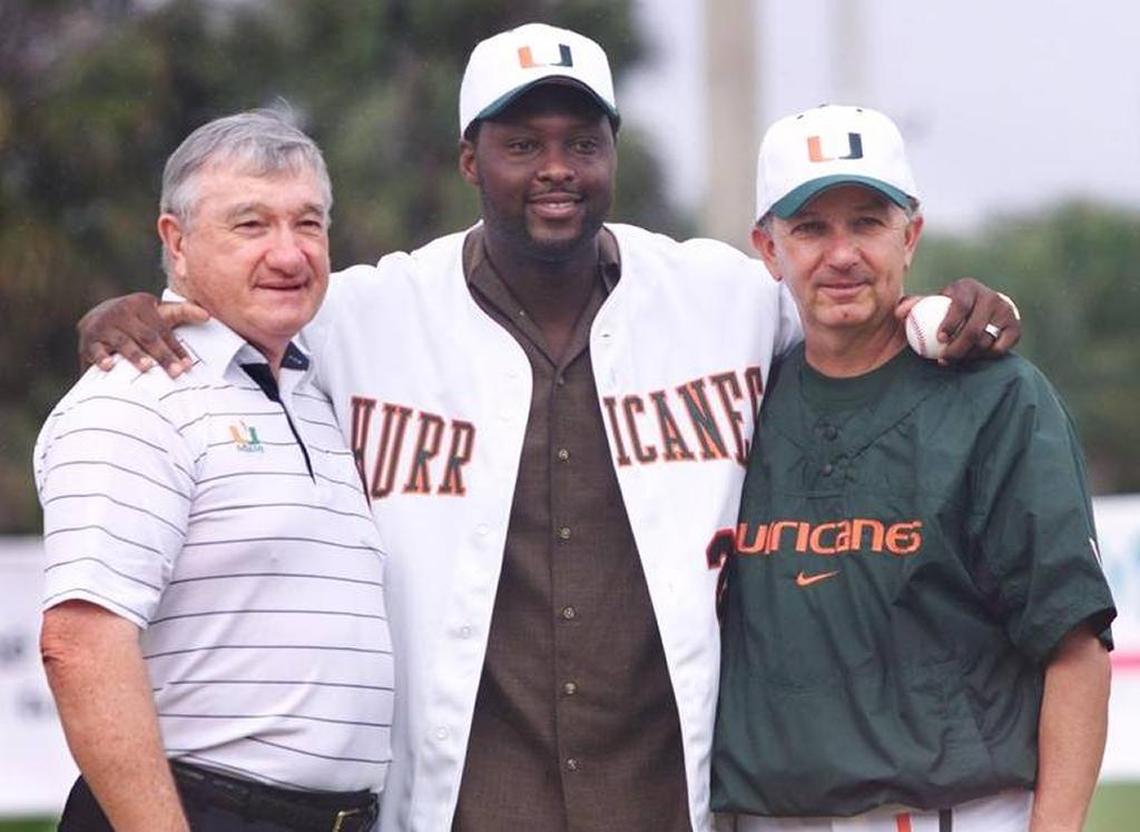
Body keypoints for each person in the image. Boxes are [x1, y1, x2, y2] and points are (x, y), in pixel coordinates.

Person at [73, 25, 1022, 832]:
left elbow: (845, 312)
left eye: (582, 140)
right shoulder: (365, 314)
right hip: (464, 799)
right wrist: (139, 309)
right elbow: (246, 302)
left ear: (613, 151)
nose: (556, 168)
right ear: (469, 160)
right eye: (522, 143)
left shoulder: (721, 297)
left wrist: (948, 312)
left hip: (662, 792)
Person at [712, 104, 1115, 832]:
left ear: (911, 236)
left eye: (867, 222)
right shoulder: (734, 400)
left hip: (950, 814)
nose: (841, 254)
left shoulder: (996, 396)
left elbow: (1074, 644)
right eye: (810, 228)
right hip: (765, 815)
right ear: (768, 249)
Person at [36, 111, 391, 832]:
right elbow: (79, 643)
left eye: (309, 224)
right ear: (176, 241)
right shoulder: (135, 395)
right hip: (197, 812)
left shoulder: (322, 385)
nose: (289, 255)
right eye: (251, 225)